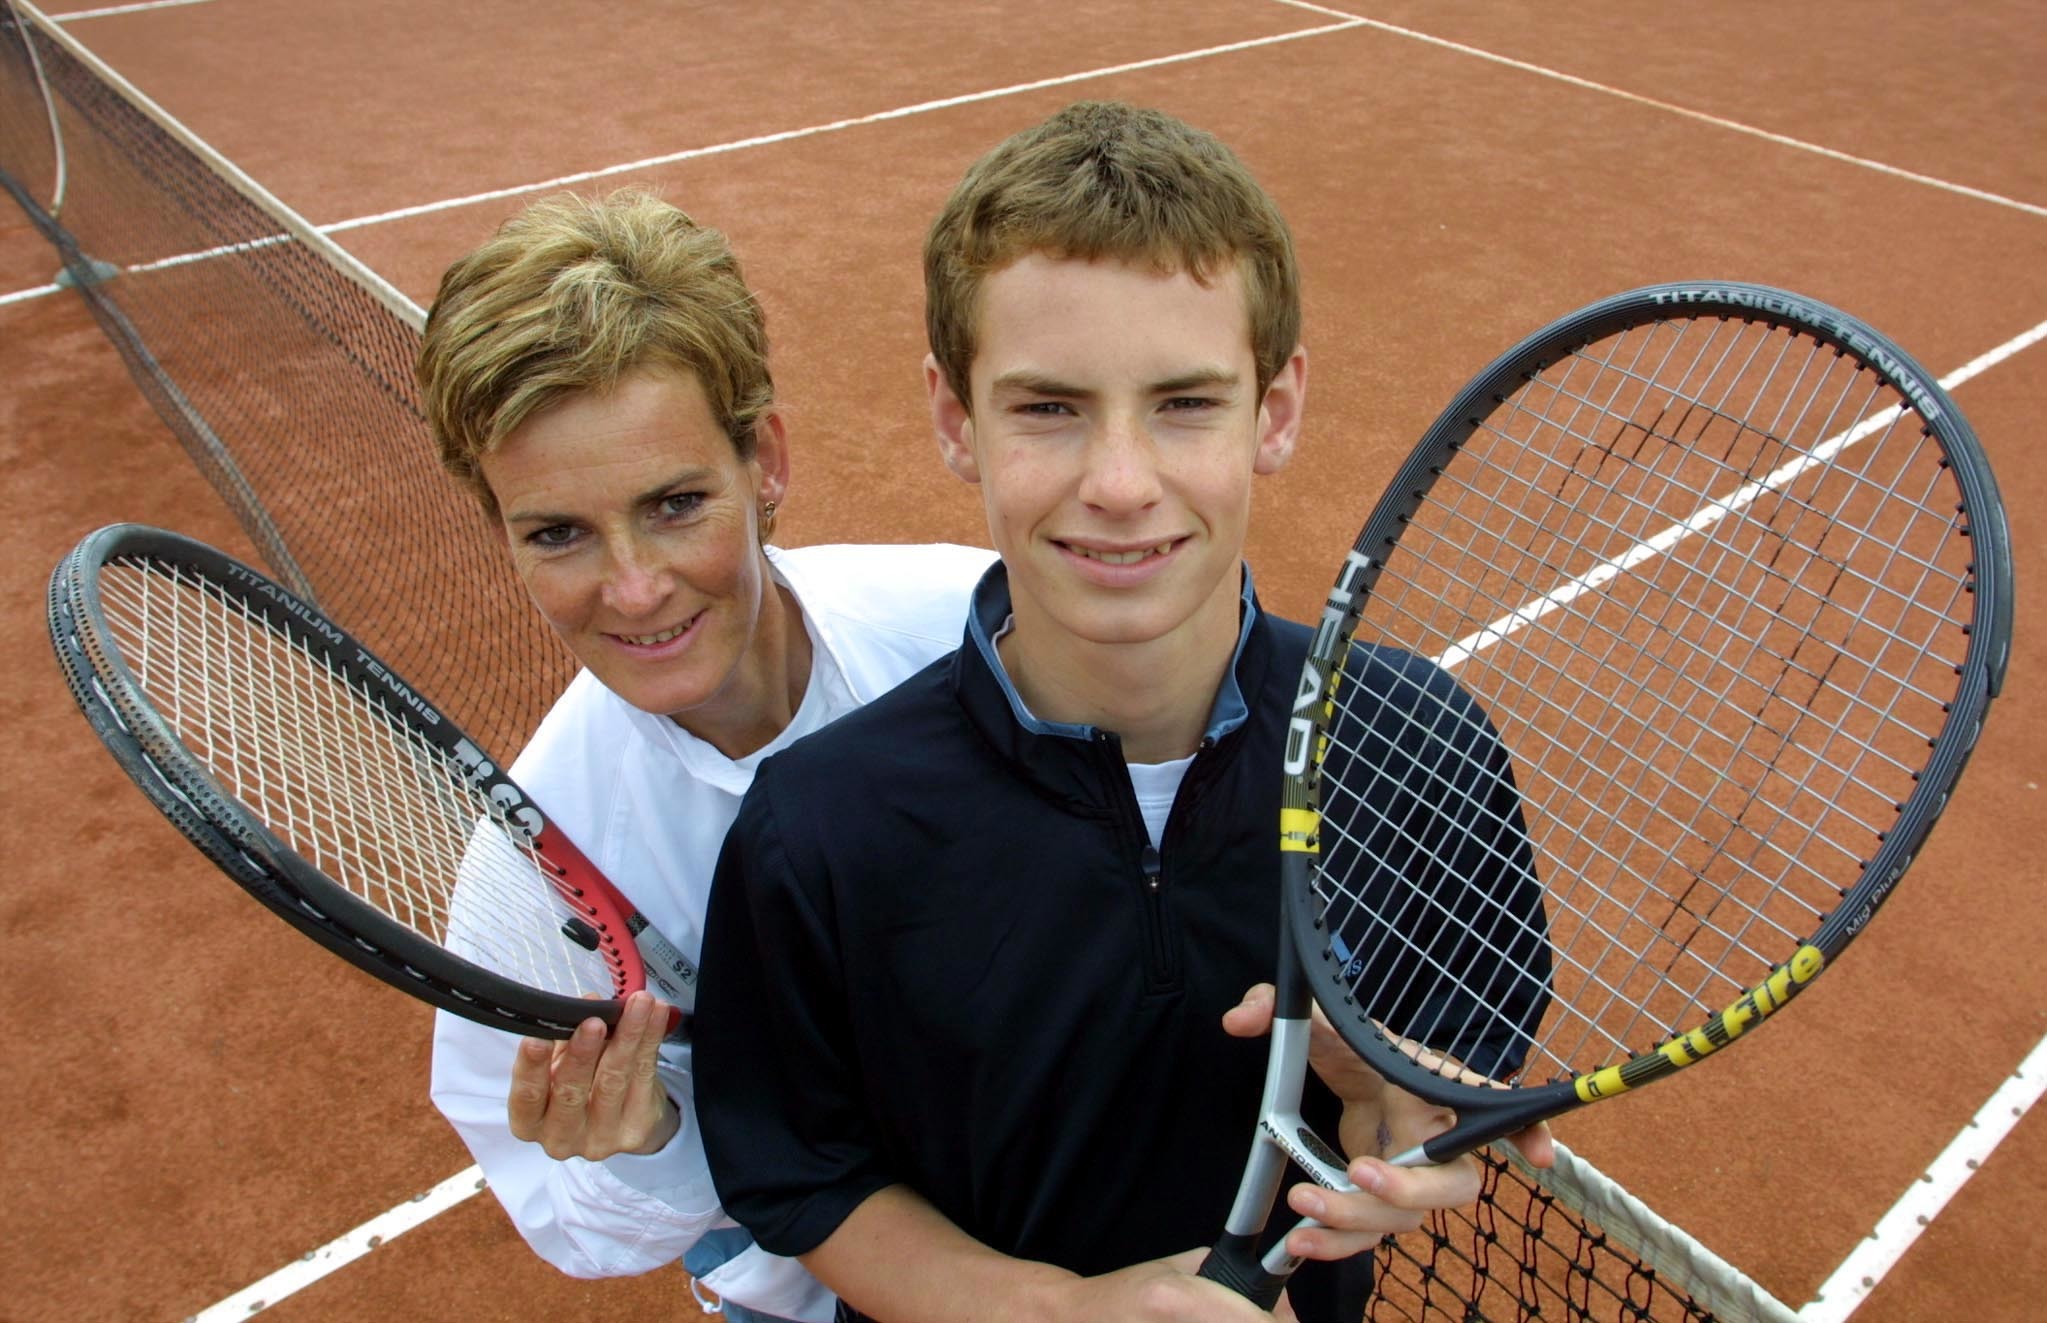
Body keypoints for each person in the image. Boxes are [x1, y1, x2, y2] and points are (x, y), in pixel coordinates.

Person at [694, 102, 1553, 1322]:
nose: (1117, 483)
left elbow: (1451, 1079)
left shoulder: (1422, 744)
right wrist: (1059, 1313)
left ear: (1278, 406)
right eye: (1046, 407)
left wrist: (1401, 1116)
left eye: (1185, 403)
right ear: (955, 420)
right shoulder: (820, 821)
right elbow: (810, 1177)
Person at [416, 189, 993, 1322]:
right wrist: (649, 1146)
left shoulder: (974, 629)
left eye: (676, 503)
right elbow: (583, 1226)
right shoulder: (528, 881)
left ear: (763, 460)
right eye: (557, 533)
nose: (632, 589)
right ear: (501, 532)